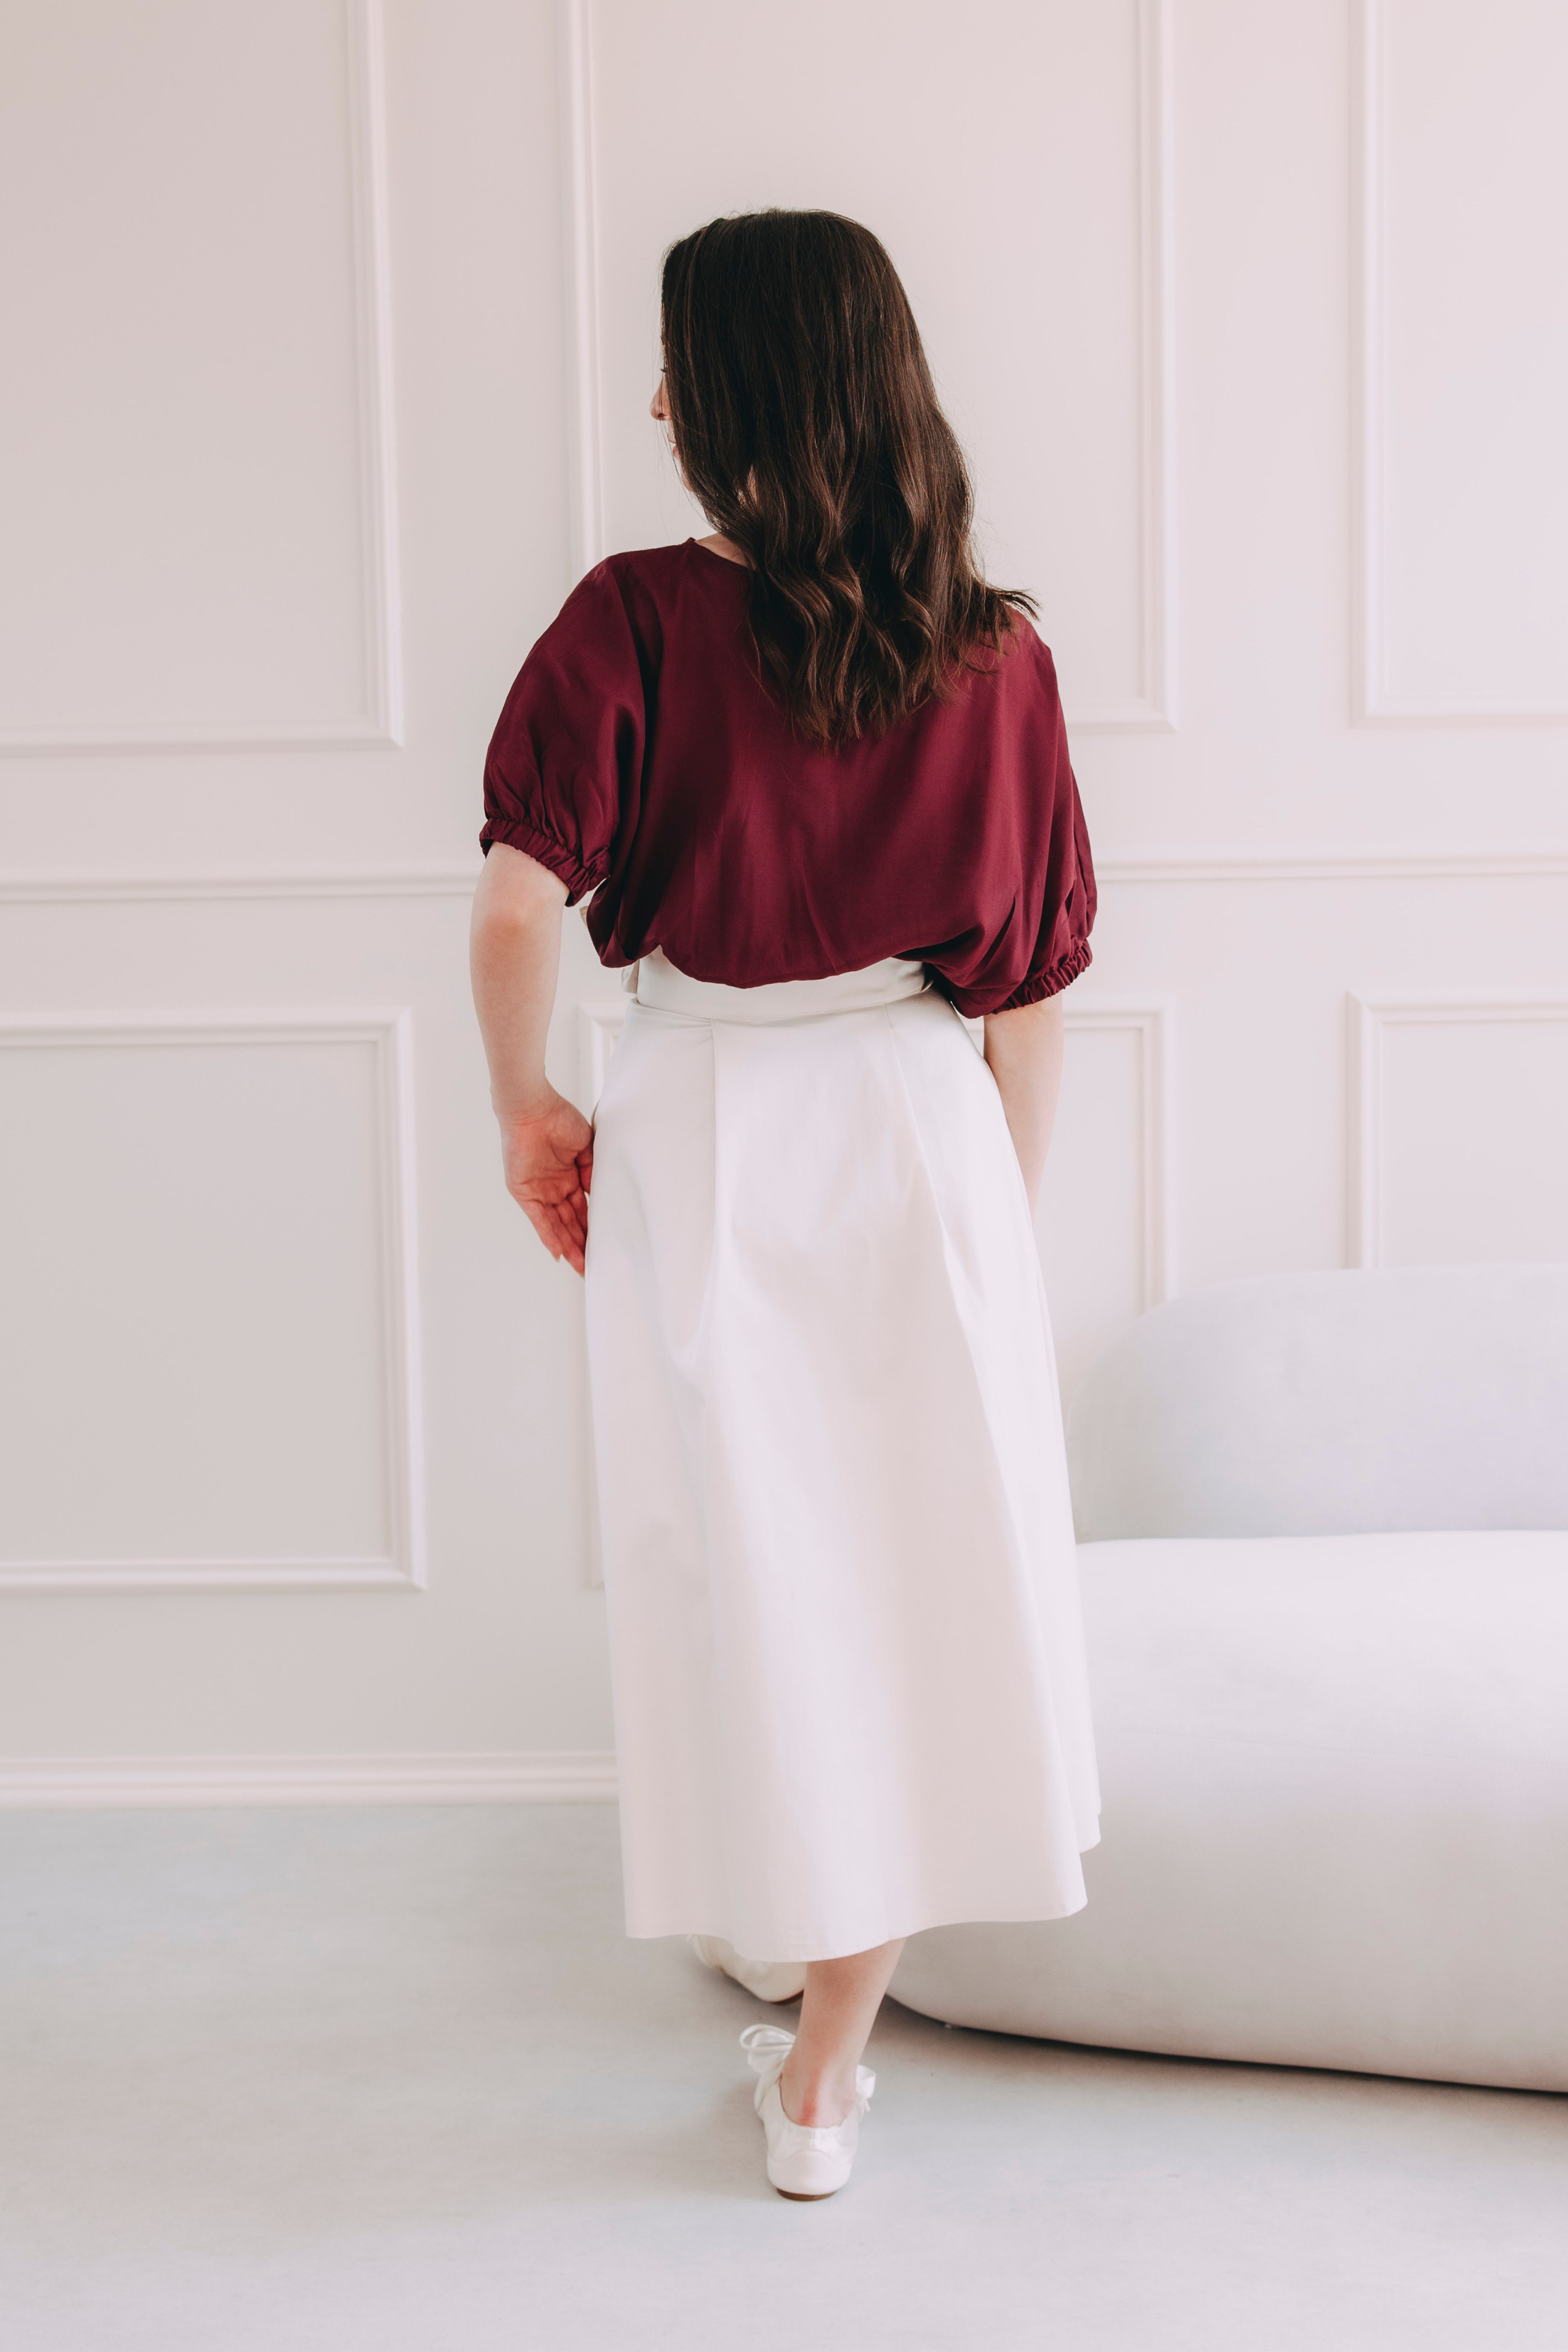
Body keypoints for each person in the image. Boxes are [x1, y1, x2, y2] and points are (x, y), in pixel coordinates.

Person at [470, 208, 1100, 2200]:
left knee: (765, 1571)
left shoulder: (631, 619)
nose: (657, 403)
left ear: (739, 395)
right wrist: (998, 1223)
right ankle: (825, 2064)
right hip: (918, 1124)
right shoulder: (993, 651)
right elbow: (1029, 993)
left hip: (708, 1125)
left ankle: (812, 2019)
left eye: (678, 368)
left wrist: (527, 1112)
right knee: (916, 1572)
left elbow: (514, 912)